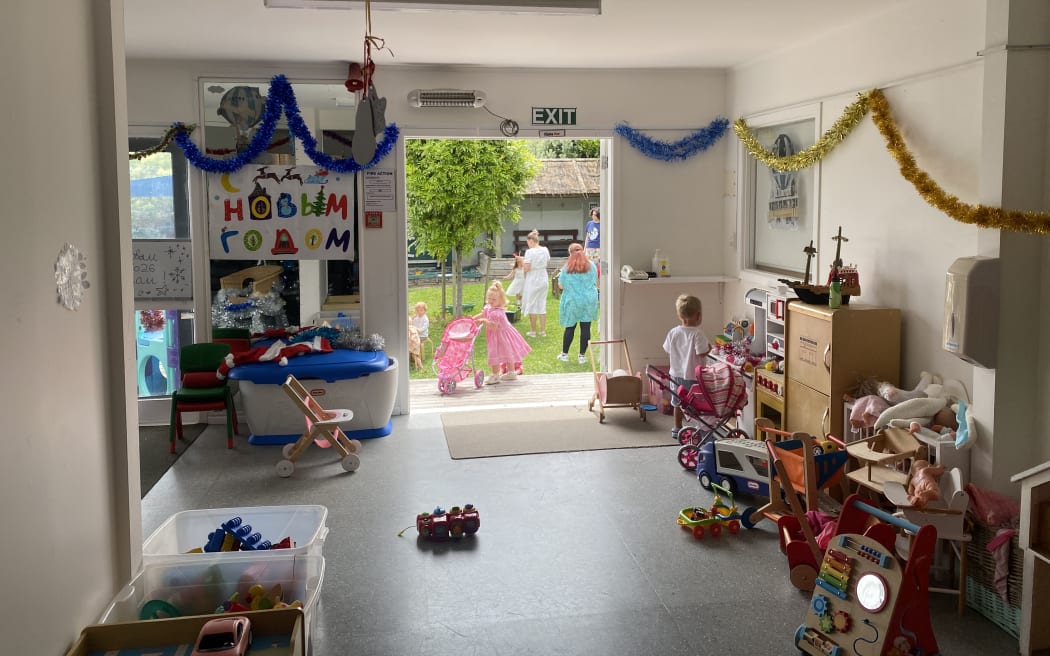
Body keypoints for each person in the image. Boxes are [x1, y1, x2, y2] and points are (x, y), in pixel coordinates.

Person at [662, 294, 711, 439]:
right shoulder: (698, 334)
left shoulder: (673, 332)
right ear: (699, 315)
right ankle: (700, 427)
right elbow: (701, 353)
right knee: (696, 403)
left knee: (677, 402)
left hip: (675, 375)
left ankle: (677, 428)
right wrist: (709, 348)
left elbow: (667, 350)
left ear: (679, 315)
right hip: (692, 377)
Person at [473, 281, 532, 385]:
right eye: (489, 298)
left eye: (493, 299)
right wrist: (472, 319)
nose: (490, 301)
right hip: (501, 335)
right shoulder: (490, 308)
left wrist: (484, 321)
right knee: (507, 352)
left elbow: (493, 326)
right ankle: (511, 372)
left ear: (501, 300)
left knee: (495, 353)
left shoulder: (497, 313)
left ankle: (495, 375)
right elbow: (483, 313)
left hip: (501, 336)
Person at [556, 242, 598, 364]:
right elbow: (595, 281)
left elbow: (561, 285)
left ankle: (564, 354)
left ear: (570, 253)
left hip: (573, 300)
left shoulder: (567, 268)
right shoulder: (591, 265)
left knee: (570, 327)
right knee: (586, 327)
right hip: (589, 300)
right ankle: (582, 356)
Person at [520, 229, 551, 337]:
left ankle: (533, 331)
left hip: (533, 278)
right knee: (542, 303)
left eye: (528, 242)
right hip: (543, 276)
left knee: (532, 304)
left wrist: (521, 261)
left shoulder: (529, 252)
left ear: (531, 241)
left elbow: (527, 268)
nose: (528, 244)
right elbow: (547, 261)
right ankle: (542, 331)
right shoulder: (545, 249)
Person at [584, 207, 601, 280]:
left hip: (598, 248)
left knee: (597, 266)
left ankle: (598, 282)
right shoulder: (589, 223)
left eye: (595, 215)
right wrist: (585, 249)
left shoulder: (603, 224)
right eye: (592, 214)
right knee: (589, 266)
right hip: (589, 248)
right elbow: (587, 236)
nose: (593, 216)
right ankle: (590, 281)